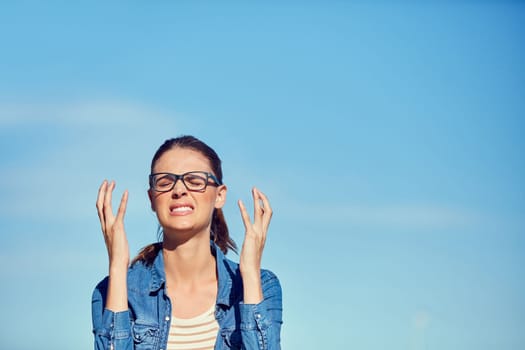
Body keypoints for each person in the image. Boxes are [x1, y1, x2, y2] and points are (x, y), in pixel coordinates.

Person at [92, 135, 282, 350]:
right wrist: (117, 268)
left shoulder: (262, 285)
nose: (179, 190)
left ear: (220, 195)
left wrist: (249, 274)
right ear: (152, 199)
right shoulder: (112, 290)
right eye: (165, 182)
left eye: (195, 181)